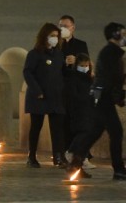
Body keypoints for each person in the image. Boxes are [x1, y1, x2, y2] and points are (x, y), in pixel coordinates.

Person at [68, 22, 126, 181]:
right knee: (116, 132)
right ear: (115, 35)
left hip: (101, 97)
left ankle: (75, 162)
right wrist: (119, 95)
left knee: (95, 132)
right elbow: (110, 77)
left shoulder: (113, 52)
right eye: (123, 33)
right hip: (104, 98)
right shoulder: (111, 52)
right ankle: (119, 170)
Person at [23, 23, 66, 168]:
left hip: (55, 96)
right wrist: (37, 91)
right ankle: (32, 156)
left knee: (58, 128)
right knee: (36, 126)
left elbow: (61, 73)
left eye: (56, 36)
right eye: (52, 36)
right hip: (39, 96)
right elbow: (27, 72)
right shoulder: (34, 53)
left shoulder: (59, 54)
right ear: (44, 36)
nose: (54, 39)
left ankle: (59, 157)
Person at [62, 53, 94, 175]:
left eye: (87, 65)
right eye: (82, 65)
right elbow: (73, 96)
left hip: (88, 112)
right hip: (77, 112)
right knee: (82, 136)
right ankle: (71, 153)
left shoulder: (89, 78)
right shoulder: (72, 78)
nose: (85, 67)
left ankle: (77, 167)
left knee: (85, 138)